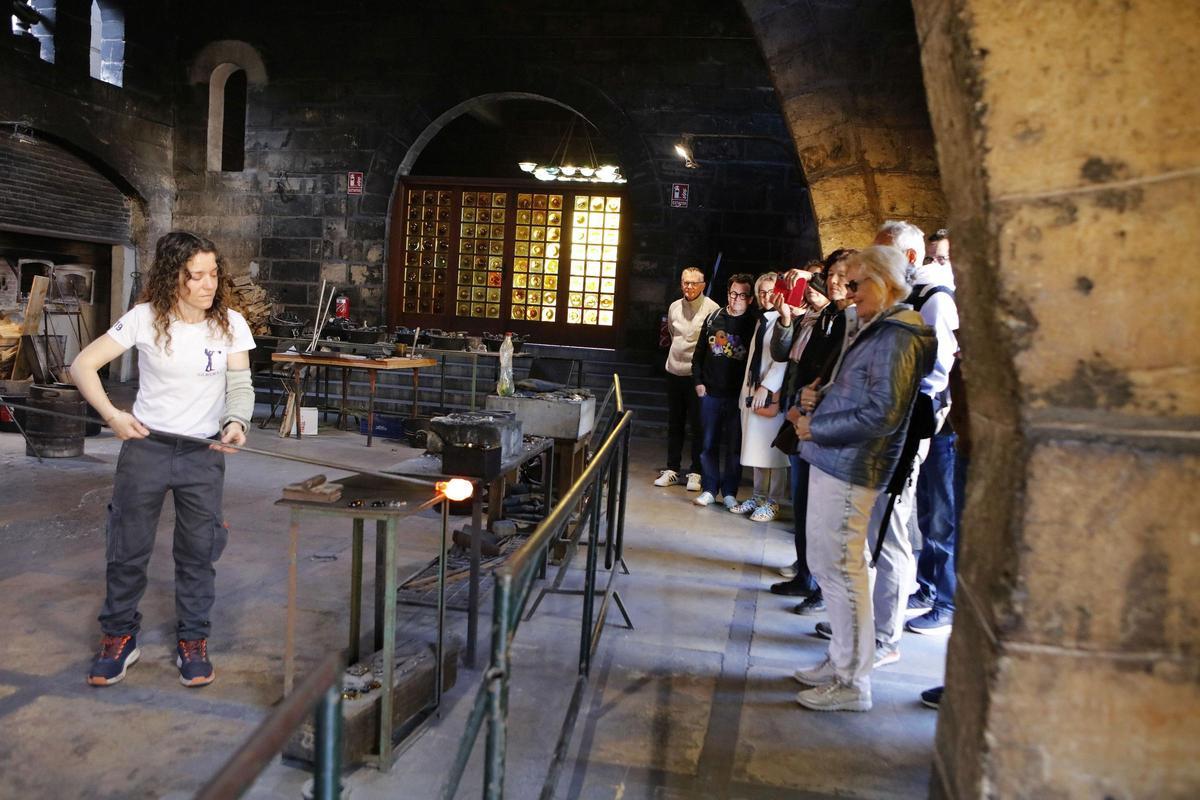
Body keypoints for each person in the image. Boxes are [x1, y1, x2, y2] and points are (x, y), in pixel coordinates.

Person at [70, 231, 256, 688]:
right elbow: (82, 365)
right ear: (174, 276)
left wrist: (236, 422)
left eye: (213, 274)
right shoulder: (144, 318)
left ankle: (193, 640)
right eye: (196, 275)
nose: (208, 284)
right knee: (128, 549)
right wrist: (112, 415)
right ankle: (119, 637)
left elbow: (239, 386)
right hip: (146, 449)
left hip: (203, 453)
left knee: (198, 552)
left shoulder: (231, 324)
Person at [790, 245, 936, 712]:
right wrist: (819, 398)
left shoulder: (900, 335)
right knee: (826, 563)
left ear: (883, 282)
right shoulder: (881, 328)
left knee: (843, 568)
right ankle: (840, 660)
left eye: (855, 284)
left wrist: (816, 427)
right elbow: (858, 390)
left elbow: (882, 414)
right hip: (835, 458)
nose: (849, 293)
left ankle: (853, 681)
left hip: (854, 464)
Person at [767, 251, 854, 613]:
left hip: (827, 424)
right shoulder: (828, 316)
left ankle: (821, 586)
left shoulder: (852, 320)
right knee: (804, 505)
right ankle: (805, 574)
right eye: (830, 274)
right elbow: (802, 363)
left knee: (824, 515)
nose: (833, 281)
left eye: (841, 276)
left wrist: (810, 403)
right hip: (804, 415)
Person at [907, 228, 961, 634]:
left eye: (942, 258)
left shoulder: (942, 300)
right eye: (932, 257)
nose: (935, 265)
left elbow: (940, 367)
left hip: (943, 419)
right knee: (928, 507)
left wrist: (926, 404)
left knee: (942, 513)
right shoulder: (929, 296)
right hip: (929, 415)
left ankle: (946, 600)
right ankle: (926, 587)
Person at [691, 272, 758, 509]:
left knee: (734, 447)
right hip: (710, 392)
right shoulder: (713, 318)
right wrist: (698, 382)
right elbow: (699, 353)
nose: (736, 299)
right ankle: (709, 488)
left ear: (750, 299)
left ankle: (730, 491)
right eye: (733, 293)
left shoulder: (754, 324)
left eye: (742, 295)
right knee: (708, 443)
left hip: (737, 396)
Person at [730, 272, 789, 522]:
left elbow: (782, 359)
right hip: (752, 391)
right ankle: (757, 496)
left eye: (771, 292)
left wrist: (766, 386)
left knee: (773, 452)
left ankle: (773, 501)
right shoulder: (762, 320)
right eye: (762, 292)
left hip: (770, 392)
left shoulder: (784, 319)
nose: (766, 297)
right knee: (756, 448)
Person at [656, 266, 719, 491]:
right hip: (674, 371)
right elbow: (673, 335)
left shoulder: (712, 309)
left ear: (703, 285)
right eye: (685, 282)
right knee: (675, 422)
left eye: (694, 283)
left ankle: (696, 471)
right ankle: (672, 468)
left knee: (698, 425)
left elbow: (711, 344)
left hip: (696, 376)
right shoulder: (674, 306)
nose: (689, 287)